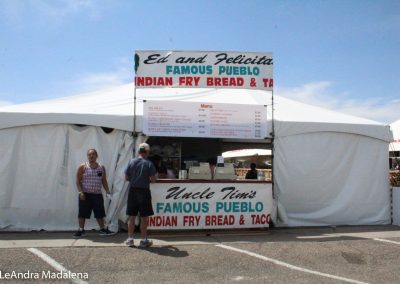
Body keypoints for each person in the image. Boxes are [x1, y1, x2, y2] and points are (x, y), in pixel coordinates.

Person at [73, 148, 115, 238]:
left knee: (99, 213)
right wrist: (81, 192)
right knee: (82, 213)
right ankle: (81, 230)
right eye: (89, 154)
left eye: (93, 154)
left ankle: (102, 229)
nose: (91, 156)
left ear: (96, 156)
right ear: (87, 156)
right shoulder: (83, 166)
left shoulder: (101, 167)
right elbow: (77, 180)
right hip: (85, 194)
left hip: (97, 195)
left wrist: (107, 192)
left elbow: (103, 180)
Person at [124, 143, 157, 248]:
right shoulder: (148, 163)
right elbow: (153, 179)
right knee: (144, 218)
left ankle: (130, 239)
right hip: (144, 191)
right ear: (147, 152)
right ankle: (143, 240)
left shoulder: (131, 161)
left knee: (131, 217)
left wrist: (134, 179)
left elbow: (126, 177)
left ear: (138, 151)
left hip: (133, 191)